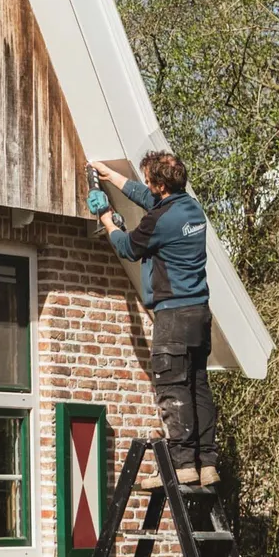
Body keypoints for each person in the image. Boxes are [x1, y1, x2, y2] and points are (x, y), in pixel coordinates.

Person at [89, 152, 219, 489]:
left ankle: (181, 466)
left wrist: (106, 220)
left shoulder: (159, 222)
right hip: (200, 315)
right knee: (197, 387)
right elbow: (151, 200)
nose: (146, 184)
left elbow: (130, 248)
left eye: (149, 179)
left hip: (172, 317)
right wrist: (112, 177)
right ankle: (207, 464)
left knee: (172, 388)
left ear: (160, 184)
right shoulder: (190, 208)